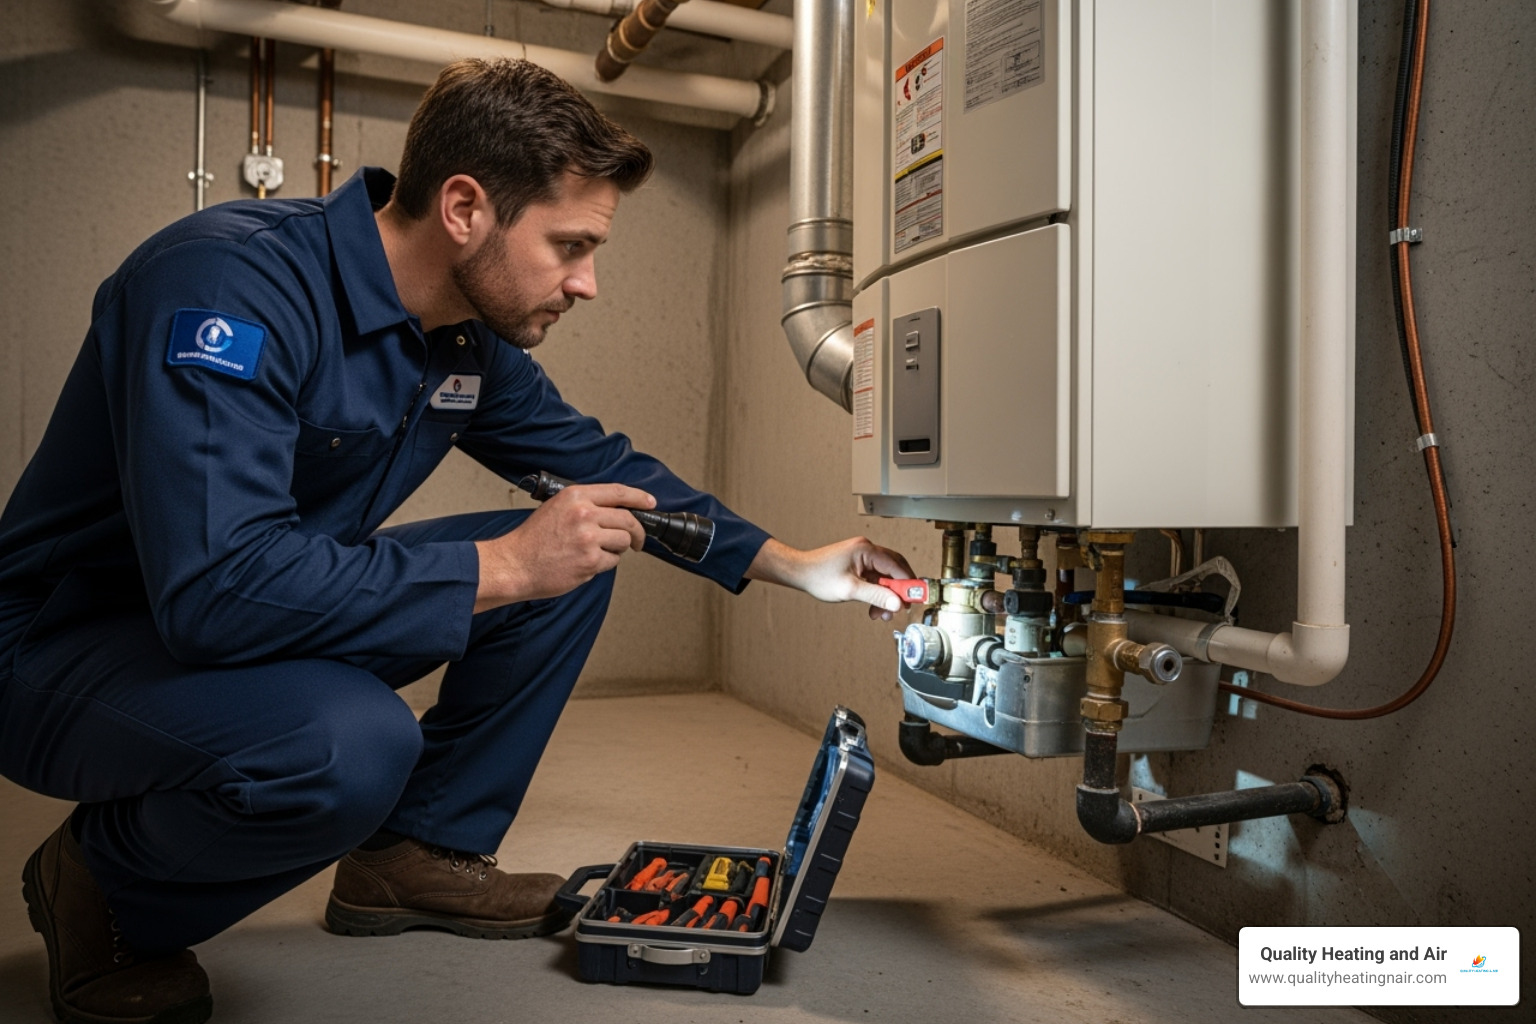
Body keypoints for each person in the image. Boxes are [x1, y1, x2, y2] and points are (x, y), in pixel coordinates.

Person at [0, 58, 913, 1024]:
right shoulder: (230, 282)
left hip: (241, 617)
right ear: (466, 208)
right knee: (349, 745)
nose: (587, 282)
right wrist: (505, 562)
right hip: (63, 649)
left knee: (585, 544)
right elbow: (216, 588)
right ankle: (102, 885)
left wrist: (794, 564)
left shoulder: (461, 337)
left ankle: (414, 857)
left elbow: (606, 471)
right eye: (569, 244)